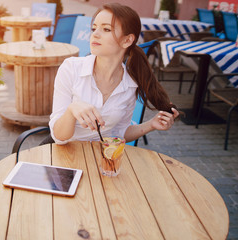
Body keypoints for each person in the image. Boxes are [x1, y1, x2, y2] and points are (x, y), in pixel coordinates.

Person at [49, 3, 179, 145]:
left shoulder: (130, 85)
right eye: (94, 28)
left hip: (102, 158)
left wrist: (151, 125)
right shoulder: (71, 68)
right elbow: (58, 137)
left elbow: (118, 134)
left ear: (127, 40)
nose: (95, 34)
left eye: (106, 29)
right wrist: (72, 110)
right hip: (66, 154)